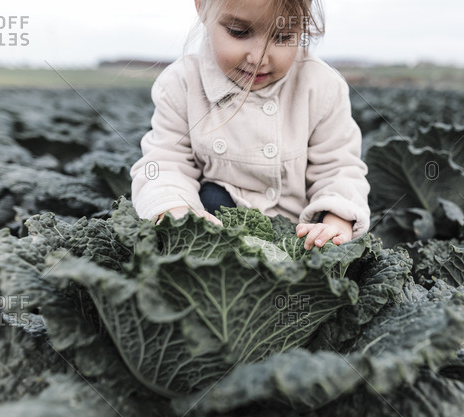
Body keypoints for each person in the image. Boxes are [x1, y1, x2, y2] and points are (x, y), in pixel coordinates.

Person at [130, 0, 370, 250]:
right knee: (213, 197)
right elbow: (164, 164)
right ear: (202, 7)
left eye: (283, 36)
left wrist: (335, 222)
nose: (259, 58)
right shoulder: (181, 83)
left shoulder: (322, 86)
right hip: (213, 239)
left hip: (298, 241)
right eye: (238, 32)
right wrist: (177, 211)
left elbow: (339, 169)